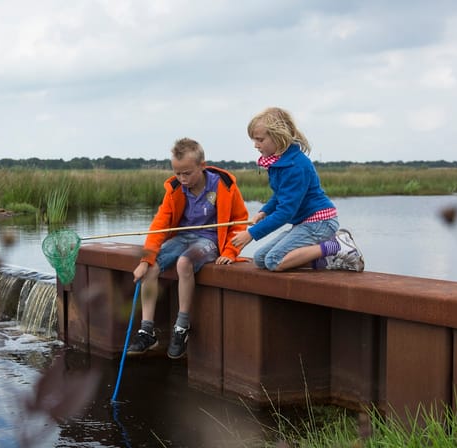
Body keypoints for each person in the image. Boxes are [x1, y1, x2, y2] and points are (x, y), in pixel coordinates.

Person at [126, 138, 250, 359]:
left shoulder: (224, 185)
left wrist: (231, 252)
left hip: (209, 240)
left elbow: (239, 221)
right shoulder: (175, 190)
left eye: (187, 173)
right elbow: (159, 225)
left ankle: (181, 327)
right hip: (182, 237)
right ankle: (147, 331)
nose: (182, 179)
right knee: (152, 267)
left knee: (185, 262)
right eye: (177, 173)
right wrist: (146, 260)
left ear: (202, 166)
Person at [231, 107, 365, 272]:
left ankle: (337, 246)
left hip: (320, 222)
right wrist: (265, 211)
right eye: (254, 140)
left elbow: (285, 212)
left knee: (274, 260)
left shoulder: (295, 166)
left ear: (278, 137)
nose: (256, 145)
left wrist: (252, 234)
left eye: (260, 140)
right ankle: (326, 260)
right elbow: (280, 195)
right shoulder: (279, 162)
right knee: (260, 259)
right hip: (305, 223)